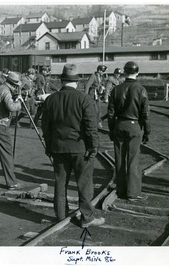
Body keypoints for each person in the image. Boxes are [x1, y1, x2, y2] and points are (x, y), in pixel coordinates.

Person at [42, 64, 105, 228]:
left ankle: (61, 216)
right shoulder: (84, 99)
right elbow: (91, 127)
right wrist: (93, 147)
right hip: (80, 149)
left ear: (62, 80)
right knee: (84, 184)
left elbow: (46, 127)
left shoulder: (51, 99)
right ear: (77, 82)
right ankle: (87, 218)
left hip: (58, 148)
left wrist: (49, 146)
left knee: (60, 183)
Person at [108, 61, 151, 202]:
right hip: (134, 126)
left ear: (125, 73)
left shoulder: (116, 89)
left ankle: (121, 189)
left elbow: (110, 113)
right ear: (137, 72)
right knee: (133, 159)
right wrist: (147, 132)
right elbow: (145, 114)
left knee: (119, 159)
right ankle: (133, 193)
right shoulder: (141, 90)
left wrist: (111, 129)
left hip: (119, 125)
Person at [0, 71, 24, 189]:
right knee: (6, 153)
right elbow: (11, 107)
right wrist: (19, 101)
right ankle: (11, 182)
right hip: (0, 125)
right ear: (14, 85)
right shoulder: (6, 91)